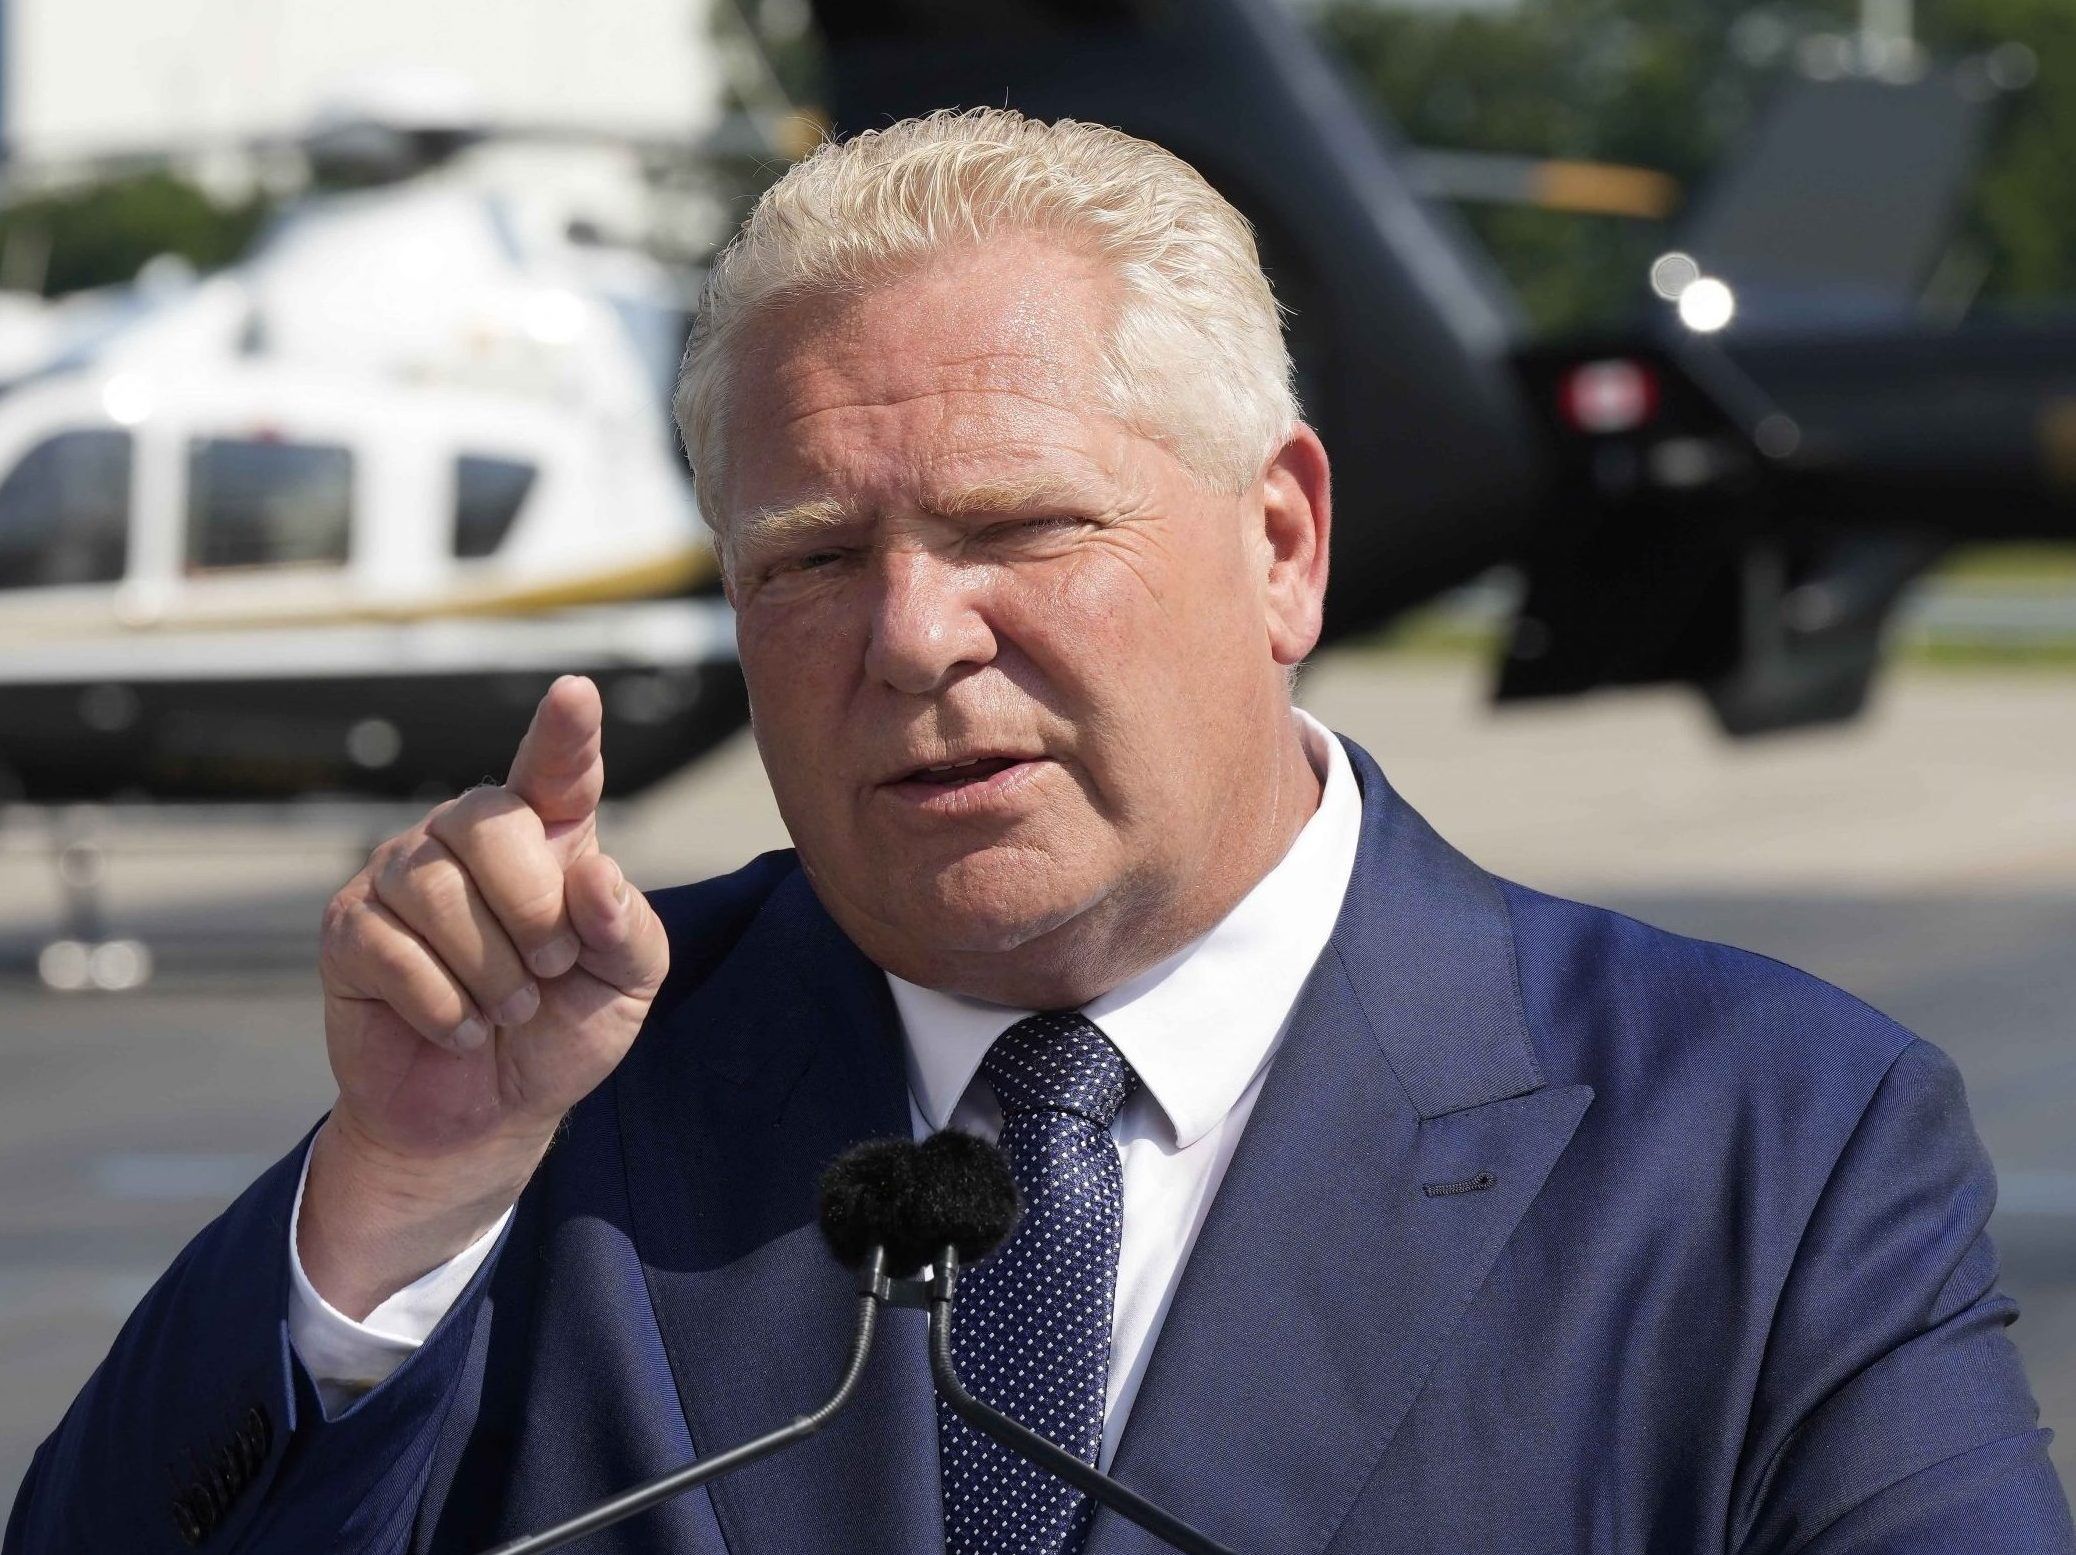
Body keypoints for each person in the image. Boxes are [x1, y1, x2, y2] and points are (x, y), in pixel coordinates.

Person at [8, 108, 2073, 1555]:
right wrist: (398, 1198)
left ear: (1281, 543)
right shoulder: (554, 1096)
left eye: (1016, 528)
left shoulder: (1770, 1138)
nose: (913, 637)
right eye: (811, 557)